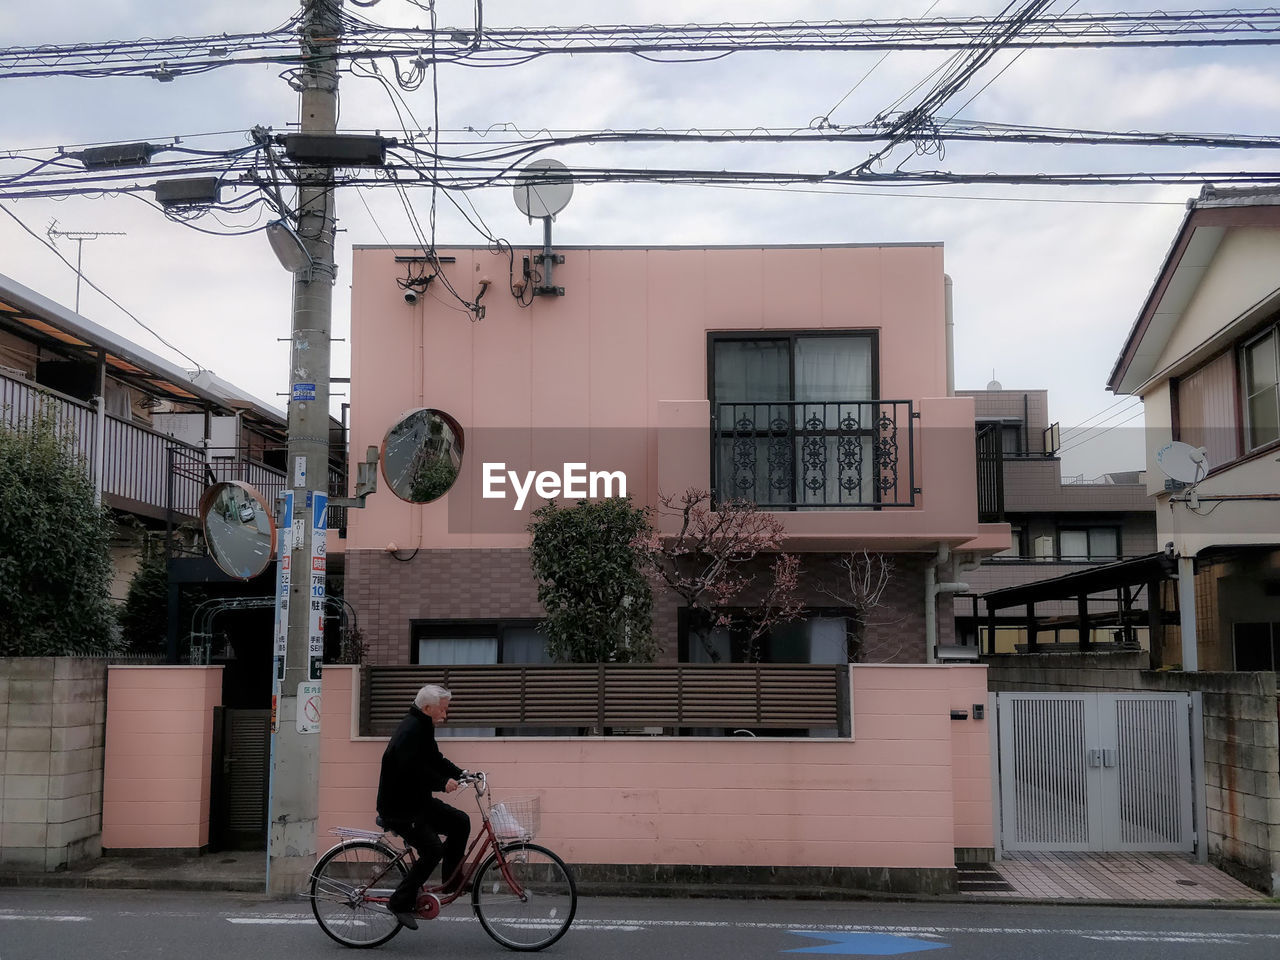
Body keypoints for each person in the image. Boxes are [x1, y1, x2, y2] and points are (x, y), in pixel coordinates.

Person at [376, 683, 470, 930]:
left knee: (460, 822)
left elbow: (434, 759)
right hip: (400, 809)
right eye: (443, 710)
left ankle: (451, 881)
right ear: (428, 708)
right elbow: (412, 772)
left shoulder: (423, 726)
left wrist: (461, 774)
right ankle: (399, 902)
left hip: (417, 802)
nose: (445, 714)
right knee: (432, 850)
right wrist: (442, 783)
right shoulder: (410, 730)